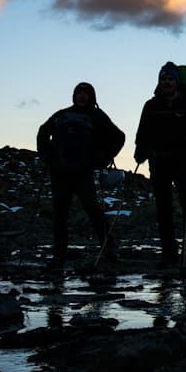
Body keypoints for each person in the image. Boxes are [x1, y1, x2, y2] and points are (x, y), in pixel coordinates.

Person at [37, 82, 125, 270]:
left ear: (92, 97)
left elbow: (118, 136)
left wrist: (102, 158)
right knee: (60, 215)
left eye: (86, 93)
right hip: (59, 172)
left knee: (93, 210)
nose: (82, 96)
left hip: (83, 173)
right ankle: (58, 256)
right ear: (74, 95)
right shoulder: (62, 115)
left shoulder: (97, 116)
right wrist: (46, 155)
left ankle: (109, 249)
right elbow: (43, 132)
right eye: (79, 93)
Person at [135, 62, 186, 268]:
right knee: (163, 209)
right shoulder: (150, 106)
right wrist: (141, 151)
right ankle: (169, 254)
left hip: (183, 161)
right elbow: (142, 133)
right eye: (164, 79)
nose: (167, 82)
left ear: (177, 82)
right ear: (159, 82)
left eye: (170, 79)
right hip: (158, 162)